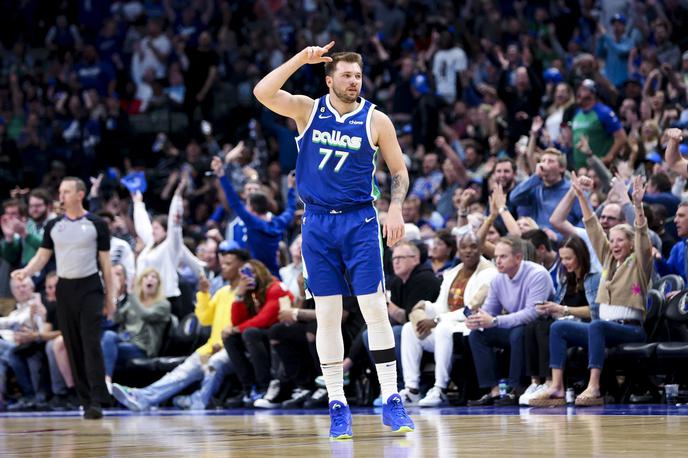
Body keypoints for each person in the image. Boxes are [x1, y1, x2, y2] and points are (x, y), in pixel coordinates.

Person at [252, 41, 414, 438]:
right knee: (326, 314)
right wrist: (299, 60)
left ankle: (392, 400)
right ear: (329, 80)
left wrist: (395, 209)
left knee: (374, 309)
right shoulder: (308, 110)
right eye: (346, 75)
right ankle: (337, 404)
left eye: (358, 76)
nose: (354, 81)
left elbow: (399, 170)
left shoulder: (376, 120)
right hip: (318, 224)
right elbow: (263, 92)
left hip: (360, 221)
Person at [529, 174, 651, 407]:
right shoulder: (607, 259)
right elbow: (593, 226)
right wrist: (581, 195)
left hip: (631, 330)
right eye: (611, 240)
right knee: (559, 327)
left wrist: (637, 206)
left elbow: (643, 236)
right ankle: (556, 387)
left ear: (631, 242)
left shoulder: (639, 262)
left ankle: (594, 387)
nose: (613, 244)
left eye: (619, 240)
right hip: (603, 329)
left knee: (596, 325)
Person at [12, 177, 114, 420]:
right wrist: (26, 271)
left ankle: (99, 398)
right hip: (65, 289)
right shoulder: (54, 226)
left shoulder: (96, 224)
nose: (61, 196)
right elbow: (42, 256)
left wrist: (110, 299)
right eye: (60, 191)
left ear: (80, 194)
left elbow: (106, 266)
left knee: (90, 343)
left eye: (66, 191)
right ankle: (85, 400)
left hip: (90, 286)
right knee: (72, 345)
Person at [112, 247, 249, 411]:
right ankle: (143, 398)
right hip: (211, 347)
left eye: (229, 264)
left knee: (215, 363)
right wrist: (204, 293)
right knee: (179, 374)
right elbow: (205, 318)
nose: (223, 267)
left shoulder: (248, 293)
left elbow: (246, 324)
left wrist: (224, 343)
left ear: (241, 266)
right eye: (223, 263)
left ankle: (199, 400)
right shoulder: (221, 292)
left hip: (233, 348)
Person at [399, 232, 497, 407]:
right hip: (447, 325)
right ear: (458, 250)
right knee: (408, 329)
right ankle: (412, 389)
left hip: (469, 327)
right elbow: (440, 305)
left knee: (443, 327)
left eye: (473, 247)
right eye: (464, 247)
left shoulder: (489, 272)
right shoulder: (453, 273)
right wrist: (425, 307)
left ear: (481, 248)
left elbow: (471, 309)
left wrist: (436, 320)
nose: (468, 251)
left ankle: (440, 389)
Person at [465, 235, 553, 406]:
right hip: (511, 326)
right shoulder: (498, 279)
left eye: (503, 257)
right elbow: (489, 311)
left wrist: (496, 321)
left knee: (519, 333)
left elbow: (533, 312)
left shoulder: (537, 274)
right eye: (496, 257)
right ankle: (494, 390)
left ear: (518, 258)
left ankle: (515, 389)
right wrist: (477, 320)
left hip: (537, 328)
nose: (498, 261)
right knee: (477, 335)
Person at [518, 236, 600, 406]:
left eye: (569, 258)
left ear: (581, 255)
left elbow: (595, 311)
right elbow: (559, 306)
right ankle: (535, 382)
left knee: (548, 328)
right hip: (566, 323)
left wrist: (563, 309)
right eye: (562, 258)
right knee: (533, 325)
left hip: (587, 326)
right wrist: (549, 308)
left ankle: (550, 382)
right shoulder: (565, 280)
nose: (565, 263)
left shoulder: (594, 278)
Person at [222, 259, 293, 406]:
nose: (249, 277)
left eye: (252, 272)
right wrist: (240, 296)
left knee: (249, 333)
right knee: (231, 339)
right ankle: (249, 388)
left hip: (283, 331)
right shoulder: (250, 293)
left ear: (262, 271)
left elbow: (265, 319)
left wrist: (236, 329)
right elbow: (237, 321)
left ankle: (265, 386)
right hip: (265, 334)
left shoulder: (276, 287)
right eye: (245, 275)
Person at [210, 160, 296, 277]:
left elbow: (235, 202)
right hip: (274, 277)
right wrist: (291, 188)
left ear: (251, 208)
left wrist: (222, 176)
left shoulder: (253, 223)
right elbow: (291, 210)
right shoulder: (278, 223)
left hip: (256, 278)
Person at [100, 268, 171, 391]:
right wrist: (115, 298)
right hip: (125, 341)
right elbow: (117, 319)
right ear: (141, 282)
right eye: (146, 276)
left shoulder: (163, 304)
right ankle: (106, 381)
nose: (150, 279)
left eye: (154, 277)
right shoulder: (134, 302)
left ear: (158, 284)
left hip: (142, 348)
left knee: (105, 346)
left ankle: (104, 383)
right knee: (107, 337)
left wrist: (131, 295)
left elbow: (146, 315)